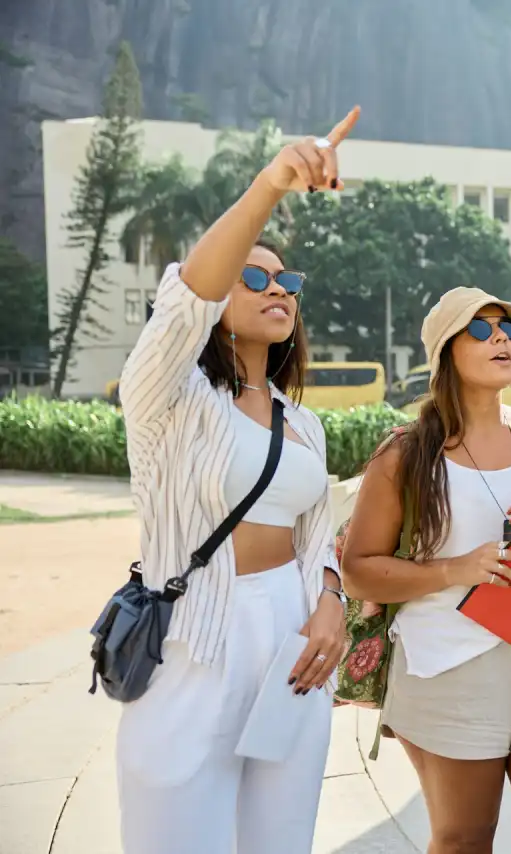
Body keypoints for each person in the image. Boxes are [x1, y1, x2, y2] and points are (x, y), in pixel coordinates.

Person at [114, 107, 363, 853]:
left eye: (287, 279)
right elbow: (184, 303)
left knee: (281, 841)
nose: (276, 287)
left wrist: (331, 600)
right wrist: (272, 184)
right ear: (221, 297)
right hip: (195, 640)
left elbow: (317, 535)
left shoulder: (303, 423)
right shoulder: (169, 397)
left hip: (292, 647)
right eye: (253, 276)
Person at [341, 286, 511, 854]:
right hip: (449, 658)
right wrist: (456, 569)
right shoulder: (406, 454)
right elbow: (358, 570)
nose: (502, 339)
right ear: (445, 350)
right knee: (464, 839)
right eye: (481, 329)